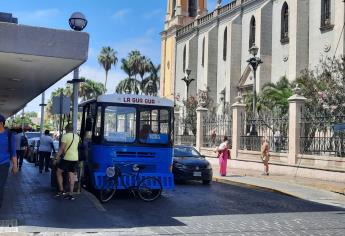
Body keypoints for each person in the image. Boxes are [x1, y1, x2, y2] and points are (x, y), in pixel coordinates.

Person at [54, 124, 80, 200]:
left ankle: (62, 190)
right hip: (75, 158)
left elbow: (61, 149)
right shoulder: (77, 137)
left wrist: (56, 159)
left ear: (66, 129)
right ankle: (71, 194)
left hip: (67, 158)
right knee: (71, 175)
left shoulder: (65, 136)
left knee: (58, 172)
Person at [0, 114, 18, 208]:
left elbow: (13, 152)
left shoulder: (9, 135)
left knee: (0, 186)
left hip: (3, 165)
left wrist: (15, 166)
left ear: (1, 123)